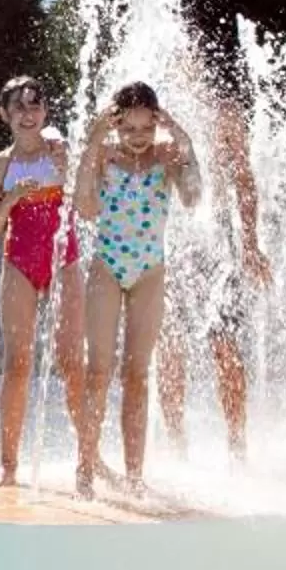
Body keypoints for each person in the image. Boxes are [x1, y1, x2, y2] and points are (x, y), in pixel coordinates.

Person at [72, 81, 201, 491]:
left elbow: (193, 197)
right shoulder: (104, 156)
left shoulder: (167, 156)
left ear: (158, 123)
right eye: (128, 128)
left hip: (149, 272)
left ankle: (134, 476)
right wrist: (92, 143)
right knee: (98, 371)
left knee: (137, 374)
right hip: (107, 268)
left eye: (147, 128)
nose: (138, 137)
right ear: (115, 125)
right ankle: (85, 468)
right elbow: (84, 208)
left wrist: (184, 139)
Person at [0, 76, 89, 486]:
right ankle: (8, 467)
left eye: (35, 106)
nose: (28, 114)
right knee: (17, 365)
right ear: (4, 114)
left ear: (46, 112)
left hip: (64, 262)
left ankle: (88, 461)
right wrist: (10, 198)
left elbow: (88, 201)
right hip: (18, 265)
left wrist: (69, 169)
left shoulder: (61, 153)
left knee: (72, 362)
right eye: (19, 107)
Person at [157, 90, 272, 461]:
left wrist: (251, 245)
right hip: (170, 242)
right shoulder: (159, 108)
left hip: (217, 245)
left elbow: (244, 181)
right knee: (170, 344)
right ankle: (176, 445)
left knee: (224, 345)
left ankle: (237, 445)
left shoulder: (226, 111)